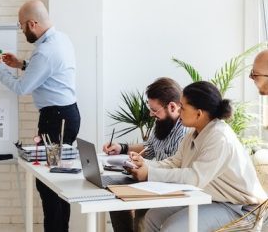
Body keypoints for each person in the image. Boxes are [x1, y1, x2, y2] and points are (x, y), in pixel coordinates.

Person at [0, 0, 80, 232]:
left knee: (49, 184)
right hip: (64, 116)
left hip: (56, 120)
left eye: (22, 26)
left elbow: (22, 88)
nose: (22, 31)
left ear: (32, 23)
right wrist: (22, 63)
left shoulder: (46, 51)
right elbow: (49, 70)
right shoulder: (61, 39)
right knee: (56, 181)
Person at [130, 81, 267, 232]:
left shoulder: (219, 137)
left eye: (182, 107)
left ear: (199, 113)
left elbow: (194, 177)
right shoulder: (193, 133)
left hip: (240, 208)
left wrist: (149, 173)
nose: (178, 110)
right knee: (153, 217)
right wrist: (145, 164)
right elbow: (175, 162)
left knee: (173, 228)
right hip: (212, 199)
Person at [103, 77, 189, 232]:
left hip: (172, 188)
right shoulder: (162, 124)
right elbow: (149, 148)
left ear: (172, 107)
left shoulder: (184, 132)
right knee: (114, 194)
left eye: (155, 110)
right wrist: (122, 148)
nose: (151, 114)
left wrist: (146, 168)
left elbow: (178, 170)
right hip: (155, 181)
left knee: (140, 212)